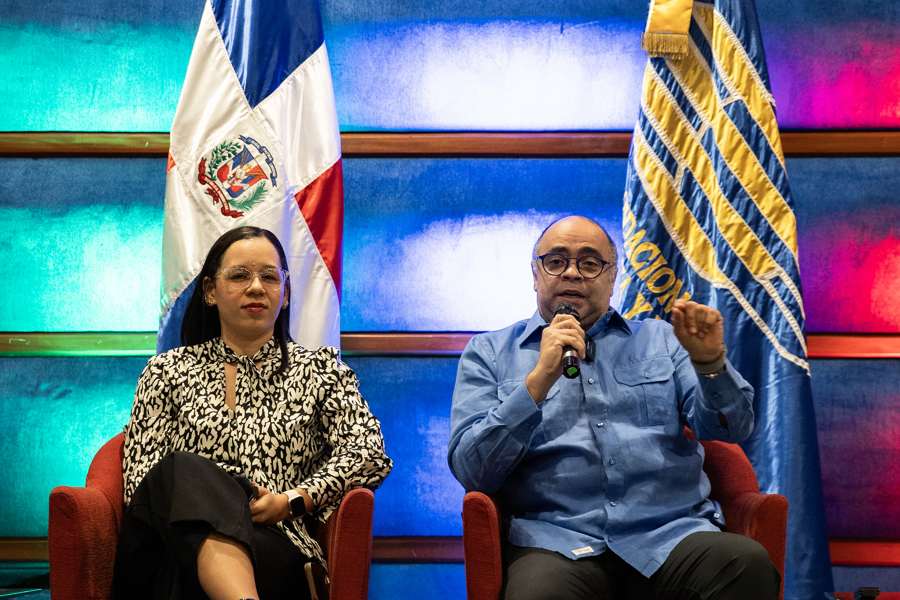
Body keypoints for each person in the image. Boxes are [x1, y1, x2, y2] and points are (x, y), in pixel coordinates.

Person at [448, 216, 779, 600]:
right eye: (555, 261)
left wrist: (710, 365)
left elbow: (731, 429)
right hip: (556, 542)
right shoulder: (489, 353)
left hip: (670, 535)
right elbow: (473, 471)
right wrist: (537, 382)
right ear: (535, 275)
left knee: (747, 564)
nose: (572, 273)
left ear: (612, 278)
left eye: (589, 263)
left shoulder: (662, 340)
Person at [113, 226, 392, 600]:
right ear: (210, 290)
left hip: (274, 543)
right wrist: (215, 499)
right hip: (168, 540)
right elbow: (141, 483)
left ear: (285, 293)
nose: (257, 287)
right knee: (181, 470)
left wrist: (289, 502)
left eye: (270, 277)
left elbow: (368, 453)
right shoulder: (166, 371)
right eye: (240, 276)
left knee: (187, 574)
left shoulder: (321, 372)